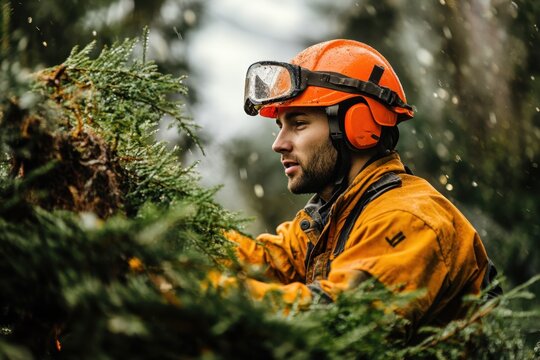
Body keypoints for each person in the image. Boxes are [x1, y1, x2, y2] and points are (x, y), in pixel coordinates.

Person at [227, 39, 499, 328]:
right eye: (280, 127)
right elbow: (265, 261)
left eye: (299, 124)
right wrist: (183, 236)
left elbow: (340, 322)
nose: (279, 144)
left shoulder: (407, 218)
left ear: (358, 125)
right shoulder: (333, 215)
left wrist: (218, 295)